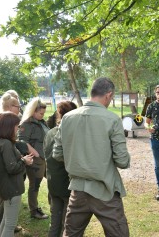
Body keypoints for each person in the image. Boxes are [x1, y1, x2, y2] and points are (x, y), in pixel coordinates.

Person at [53, 77, 130, 237]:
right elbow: (122, 161)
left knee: (71, 233)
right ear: (109, 95)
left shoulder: (67, 118)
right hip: (105, 190)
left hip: (78, 189)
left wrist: (80, 159)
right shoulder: (112, 119)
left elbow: (57, 153)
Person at [0, 112, 34, 237]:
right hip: (12, 189)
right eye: (17, 126)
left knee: (5, 221)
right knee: (10, 225)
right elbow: (12, 168)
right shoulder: (6, 144)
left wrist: (21, 159)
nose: (18, 129)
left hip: (7, 188)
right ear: (9, 127)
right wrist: (24, 161)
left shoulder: (1, 142)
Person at [44, 101, 77, 237]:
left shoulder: (50, 133)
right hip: (66, 183)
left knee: (55, 221)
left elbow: (45, 154)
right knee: (67, 223)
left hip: (53, 182)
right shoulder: (70, 134)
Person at [18, 98, 49, 219]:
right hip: (35, 160)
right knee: (35, 185)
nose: (43, 115)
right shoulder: (27, 123)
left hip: (45, 157)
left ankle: (38, 207)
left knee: (44, 183)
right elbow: (21, 140)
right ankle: (34, 210)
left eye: (43, 113)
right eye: (41, 113)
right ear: (33, 111)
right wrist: (34, 152)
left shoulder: (41, 122)